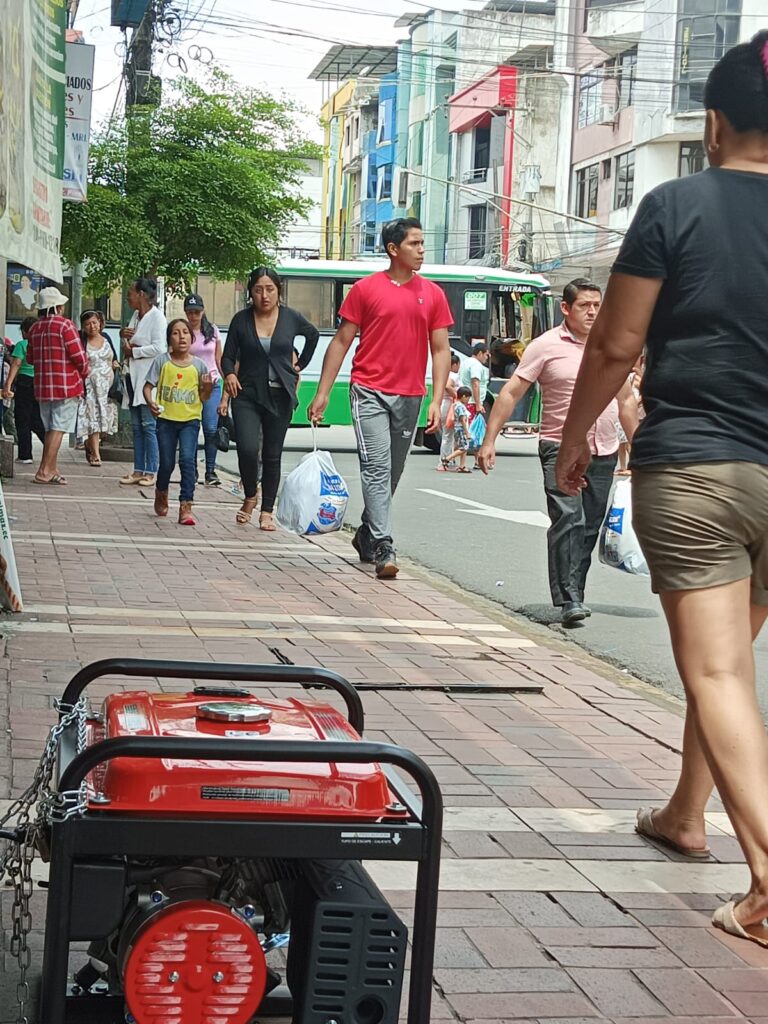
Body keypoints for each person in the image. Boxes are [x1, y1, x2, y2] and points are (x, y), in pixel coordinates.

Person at [556, 31, 768, 947]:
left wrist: (573, 441)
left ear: (714, 123)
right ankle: (688, 812)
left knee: (716, 668)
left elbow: (614, 343)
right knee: (720, 665)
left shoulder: (677, 203)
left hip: (698, 466)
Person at [478, 279, 638, 626]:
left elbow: (625, 401)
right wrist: (490, 440)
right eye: (584, 305)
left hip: (604, 449)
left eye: (598, 305)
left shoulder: (611, 345)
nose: (593, 312)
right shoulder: (545, 346)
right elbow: (510, 393)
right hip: (558, 447)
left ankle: (575, 590)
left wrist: (640, 450)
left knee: (589, 525)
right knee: (569, 518)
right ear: (566, 308)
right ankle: (569, 598)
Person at [308, 218, 453, 579]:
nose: (421, 250)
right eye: (414, 244)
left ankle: (365, 533)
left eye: (422, 244)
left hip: (411, 396)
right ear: (393, 249)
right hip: (369, 390)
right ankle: (383, 543)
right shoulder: (365, 289)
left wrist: (436, 399)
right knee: (375, 469)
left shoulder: (433, 294)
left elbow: (440, 348)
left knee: (392, 473)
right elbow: (341, 341)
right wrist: (322, 392)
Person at [222, 267, 319, 530]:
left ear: (278, 291)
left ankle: (267, 511)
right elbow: (228, 355)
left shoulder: (290, 318)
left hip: (280, 396)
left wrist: (299, 367)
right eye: (258, 289)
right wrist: (229, 374)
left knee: (273, 454)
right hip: (247, 395)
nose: (264, 295)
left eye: (270, 289)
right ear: (251, 292)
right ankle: (250, 494)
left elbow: (313, 336)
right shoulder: (241, 320)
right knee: (247, 447)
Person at [144, 319, 213, 526]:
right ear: (169, 339)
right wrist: (151, 403)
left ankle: (186, 505)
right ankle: (161, 491)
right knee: (166, 463)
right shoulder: (162, 362)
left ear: (191, 339)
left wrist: (208, 387)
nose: (181, 337)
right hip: (165, 421)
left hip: (190, 420)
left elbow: (204, 397)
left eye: (185, 332)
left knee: (187, 460)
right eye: (175, 333)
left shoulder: (199, 366)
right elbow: (147, 387)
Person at [25, 287, 88, 485]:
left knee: (50, 427)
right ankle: (44, 471)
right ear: (58, 307)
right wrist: (84, 373)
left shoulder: (34, 328)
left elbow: (30, 358)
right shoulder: (65, 326)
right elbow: (79, 357)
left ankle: (51, 469)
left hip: (43, 387)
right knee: (58, 428)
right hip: (66, 385)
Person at [120, 278, 167, 487]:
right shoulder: (136, 316)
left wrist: (135, 351)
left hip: (147, 379)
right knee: (137, 427)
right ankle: (138, 469)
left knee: (149, 426)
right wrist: (124, 336)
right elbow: (129, 340)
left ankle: (151, 470)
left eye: (131, 292)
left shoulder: (157, 318)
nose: (128, 297)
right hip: (132, 376)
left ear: (141, 294)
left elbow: (159, 348)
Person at [184, 293, 224, 487]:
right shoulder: (182, 332)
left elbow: (219, 359)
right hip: (190, 385)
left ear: (203, 311)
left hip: (213, 383)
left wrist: (227, 389)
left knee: (210, 428)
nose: (193, 316)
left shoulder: (212, 331)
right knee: (190, 427)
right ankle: (192, 469)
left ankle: (210, 470)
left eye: (197, 312)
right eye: (190, 312)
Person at [77, 310, 119, 467]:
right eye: (87, 324)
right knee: (93, 418)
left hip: (107, 388)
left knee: (106, 421)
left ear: (100, 323)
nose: (92, 326)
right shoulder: (82, 340)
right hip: (90, 387)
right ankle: (95, 454)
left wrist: (115, 365)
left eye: (94, 322)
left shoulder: (106, 338)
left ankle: (89, 443)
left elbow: (114, 357)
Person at [2, 317, 45, 464]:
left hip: (25, 383)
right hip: (40, 383)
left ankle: (25, 455)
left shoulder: (22, 344)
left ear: (25, 332)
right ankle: (51, 445)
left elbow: (16, 364)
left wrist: (8, 385)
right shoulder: (43, 344)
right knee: (37, 419)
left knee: (22, 419)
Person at [437, 353, 461, 471]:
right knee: (448, 436)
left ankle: (446, 460)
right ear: (455, 364)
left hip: (443, 404)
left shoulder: (443, 374)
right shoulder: (453, 375)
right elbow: (448, 386)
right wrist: (457, 396)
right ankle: (445, 461)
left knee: (447, 436)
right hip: (448, 406)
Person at [443, 386, 473, 473]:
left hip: (457, 429)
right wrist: (467, 432)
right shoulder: (460, 407)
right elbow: (462, 419)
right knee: (463, 448)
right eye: (468, 398)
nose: (468, 400)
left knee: (464, 447)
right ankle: (447, 458)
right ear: (463, 396)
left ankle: (462, 466)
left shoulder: (456, 405)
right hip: (461, 430)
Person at [459, 343, 490, 421]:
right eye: (486, 355)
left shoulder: (465, 362)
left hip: (465, 401)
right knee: (471, 429)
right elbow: (475, 384)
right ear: (480, 353)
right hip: (472, 402)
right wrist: (478, 404)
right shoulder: (476, 365)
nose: (486, 358)